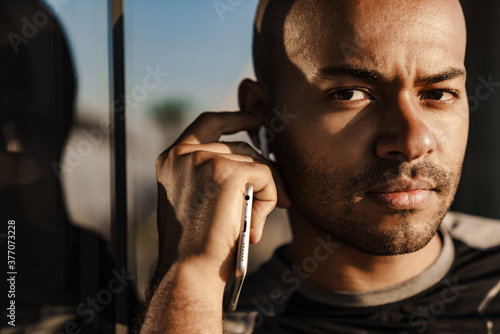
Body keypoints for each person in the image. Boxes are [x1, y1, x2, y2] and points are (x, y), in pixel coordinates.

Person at [138, 0, 500, 333]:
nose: (412, 142)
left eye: (438, 93)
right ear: (262, 114)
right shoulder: (206, 319)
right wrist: (189, 272)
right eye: (350, 94)